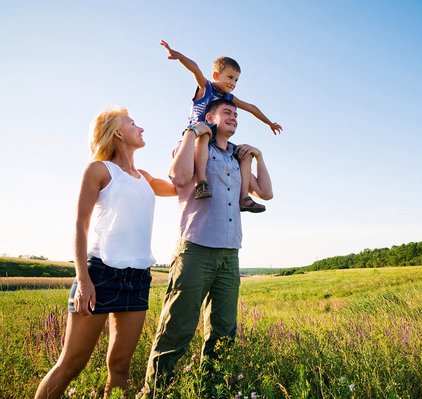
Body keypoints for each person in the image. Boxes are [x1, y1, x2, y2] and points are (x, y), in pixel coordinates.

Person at [35, 107, 176, 399]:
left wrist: (191, 143)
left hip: (137, 278)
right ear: (118, 133)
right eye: (134, 123)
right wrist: (83, 280)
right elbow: (80, 224)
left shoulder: (145, 178)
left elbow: (181, 187)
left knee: (120, 366)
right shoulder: (99, 170)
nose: (141, 128)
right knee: (72, 363)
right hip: (99, 274)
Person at [144, 98, 273, 389]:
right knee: (177, 326)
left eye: (237, 115)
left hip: (230, 253)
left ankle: (212, 389)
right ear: (210, 117)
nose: (234, 117)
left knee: (224, 330)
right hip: (196, 248)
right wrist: (193, 131)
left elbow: (266, 192)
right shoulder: (196, 147)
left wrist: (259, 156)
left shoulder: (235, 159)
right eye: (227, 112)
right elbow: (177, 177)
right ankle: (156, 391)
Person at [160, 40, 281, 212]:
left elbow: (251, 107)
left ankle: (243, 198)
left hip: (216, 138)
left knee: (245, 154)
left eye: (236, 80)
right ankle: (202, 182)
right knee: (205, 134)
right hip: (198, 133)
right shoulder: (206, 87)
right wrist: (178, 55)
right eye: (230, 77)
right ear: (216, 75)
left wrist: (269, 123)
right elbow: (195, 68)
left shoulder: (229, 98)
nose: (233, 83)